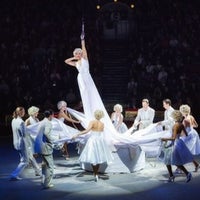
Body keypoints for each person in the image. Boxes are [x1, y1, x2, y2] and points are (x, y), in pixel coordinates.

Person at [72, 110, 113, 181]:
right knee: (98, 157)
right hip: (100, 140)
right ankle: (96, 173)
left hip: (93, 140)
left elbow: (87, 131)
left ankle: (95, 173)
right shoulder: (102, 124)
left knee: (93, 157)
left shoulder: (92, 122)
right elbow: (101, 133)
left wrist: (78, 134)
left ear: (95, 115)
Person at [161, 110, 193, 183]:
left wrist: (164, 139)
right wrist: (178, 135)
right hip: (179, 143)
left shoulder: (175, 125)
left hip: (173, 144)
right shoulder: (181, 124)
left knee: (169, 161)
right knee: (174, 161)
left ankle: (173, 176)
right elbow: (186, 134)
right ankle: (185, 174)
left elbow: (173, 138)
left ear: (175, 117)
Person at [35, 110, 54, 189]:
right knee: (50, 166)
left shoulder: (42, 122)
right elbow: (46, 133)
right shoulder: (48, 123)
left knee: (44, 165)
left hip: (40, 146)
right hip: (46, 146)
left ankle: (43, 182)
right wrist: (52, 140)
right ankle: (47, 183)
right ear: (50, 115)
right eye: (52, 115)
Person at [10, 107, 29, 180]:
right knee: (25, 161)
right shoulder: (21, 122)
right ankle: (14, 174)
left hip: (16, 142)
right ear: (20, 112)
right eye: (23, 111)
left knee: (24, 159)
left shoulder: (13, 120)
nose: (24, 113)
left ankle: (14, 175)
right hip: (21, 143)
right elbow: (24, 134)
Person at [179, 104, 200, 172]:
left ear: (183, 112)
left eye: (181, 111)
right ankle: (196, 164)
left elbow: (183, 132)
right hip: (193, 134)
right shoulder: (191, 117)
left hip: (188, 136)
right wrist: (190, 127)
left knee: (182, 151)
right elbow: (196, 125)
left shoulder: (185, 120)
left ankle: (179, 168)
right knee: (186, 152)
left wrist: (178, 137)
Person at [25, 106, 41, 176]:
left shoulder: (37, 119)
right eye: (36, 112)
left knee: (36, 154)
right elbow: (25, 130)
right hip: (30, 139)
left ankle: (35, 168)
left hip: (36, 139)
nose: (38, 113)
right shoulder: (28, 120)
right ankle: (36, 170)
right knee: (32, 155)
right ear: (33, 112)